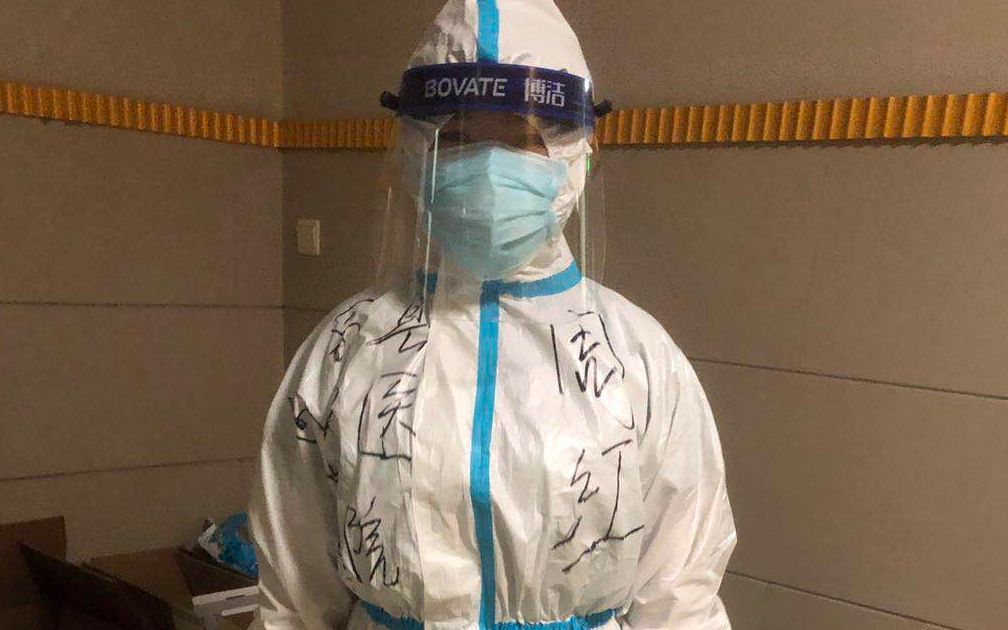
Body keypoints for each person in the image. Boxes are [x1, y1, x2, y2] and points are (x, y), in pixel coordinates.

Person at [248, 1, 736, 628]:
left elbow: (680, 596)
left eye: (519, 139)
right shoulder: (347, 351)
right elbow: (293, 597)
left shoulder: (639, 361)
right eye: (457, 138)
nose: (487, 164)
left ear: (575, 154)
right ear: (415, 154)